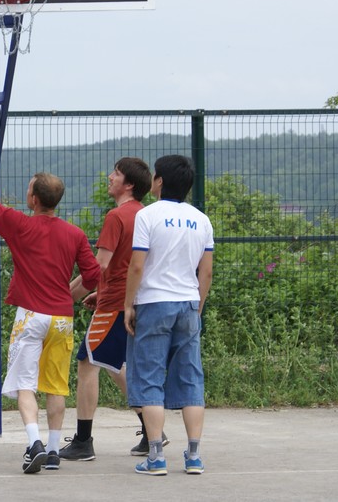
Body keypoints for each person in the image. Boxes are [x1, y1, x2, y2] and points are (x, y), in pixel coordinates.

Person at [0, 129, 102, 474]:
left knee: (25, 383)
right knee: (56, 385)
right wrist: (87, 294)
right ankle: (54, 451)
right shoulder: (75, 234)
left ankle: (33, 443)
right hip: (62, 319)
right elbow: (95, 275)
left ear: (34, 199)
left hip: (31, 317)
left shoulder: (20, 226)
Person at [60, 157, 168, 461]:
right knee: (112, 363)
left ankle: (83, 441)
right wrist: (101, 290)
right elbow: (132, 264)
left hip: (114, 305)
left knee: (86, 362)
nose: (109, 177)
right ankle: (151, 431)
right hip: (137, 300)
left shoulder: (116, 216)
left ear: (129, 184)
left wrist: (65, 294)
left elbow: (99, 266)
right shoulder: (147, 215)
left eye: (116, 174)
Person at [123, 154, 213, 476]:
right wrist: (197, 307)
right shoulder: (201, 220)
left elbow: (137, 265)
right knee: (191, 379)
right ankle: (194, 457)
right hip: (188, 303)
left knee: (149, 379)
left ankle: (157, 457)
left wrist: (128, 304)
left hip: (153, 303)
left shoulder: (148, 216)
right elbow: (206, 271)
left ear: (158, 181)